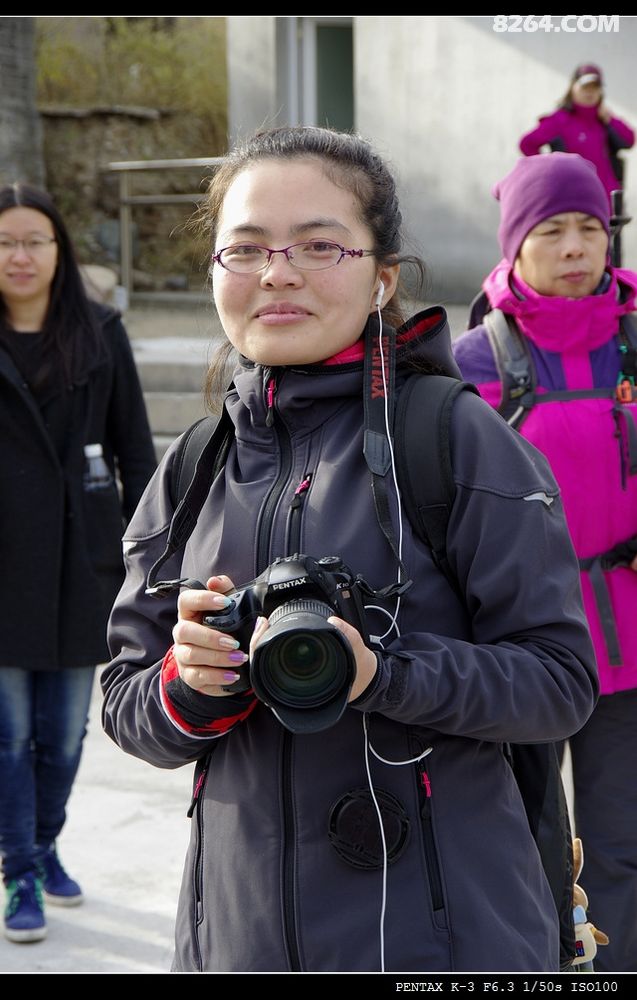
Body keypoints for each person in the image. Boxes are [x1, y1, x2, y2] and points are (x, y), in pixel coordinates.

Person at [101, 126, 597, 973]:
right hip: (237, 939)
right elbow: (125, 700)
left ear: (383, 278)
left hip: (447, 942)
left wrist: (383, 671)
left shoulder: (455, 440)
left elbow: (557, 682)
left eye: (319, 245)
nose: (277, 272)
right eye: (245, 249)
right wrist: (191, 687)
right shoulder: (192, 465)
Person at [453, 152, 637, 973]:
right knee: (519, 849)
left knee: (622, 848)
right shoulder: (473, 363)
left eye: (589, 228)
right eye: (551, 230)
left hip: (630, 649)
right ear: (513, 244)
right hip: (520, 651)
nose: (574, 247)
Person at [0, 183, 157, 943]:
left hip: (77, 565)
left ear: (58, 252)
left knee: (63, 735)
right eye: (4, 241)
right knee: (6, 736)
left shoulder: (98, 333)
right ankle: (21, 869)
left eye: (34, 240)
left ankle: (42, 841)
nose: (19, 255)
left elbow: (135, 449)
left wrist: (135, 553)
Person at [519, 63, 634, 206]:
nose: (590, 92)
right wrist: (548, 171)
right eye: (585, 87)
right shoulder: (559, 120)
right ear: (573, 87)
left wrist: (610, 120)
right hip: (572, 201)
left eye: (595, 87)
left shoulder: (604, 119)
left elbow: (629, 140)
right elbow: (527, 144)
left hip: (607, 201)